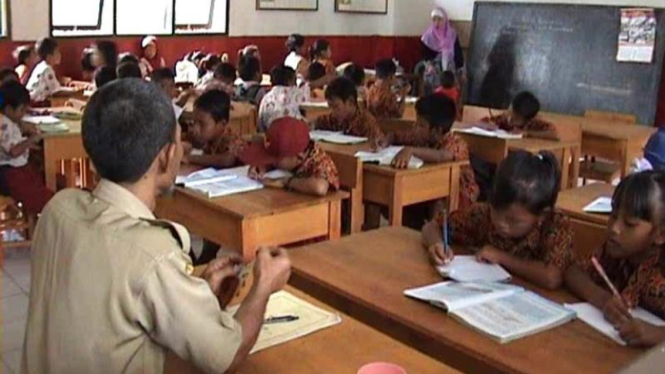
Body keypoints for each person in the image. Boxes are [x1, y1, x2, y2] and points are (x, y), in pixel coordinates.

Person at [21, 78, 292, 373]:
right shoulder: (153, 252)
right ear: (165, 156)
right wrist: (264, 285)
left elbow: (116, 303)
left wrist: (197, 291)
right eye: (178, 140)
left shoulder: (59, 208)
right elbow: (226, 358)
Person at [422, 150, 573, 290]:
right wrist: (436, 244)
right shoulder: (483, 214)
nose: (500, 223)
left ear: (542, 215)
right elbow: (431, 227)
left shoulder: (554, 225)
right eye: (496, 211)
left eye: (513, 221)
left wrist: (501, 258)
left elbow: (552, 277)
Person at [565, 171, 665, 348]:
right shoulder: (615, 251)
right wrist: (603, 299)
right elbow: (573, 272)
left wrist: (658, 334)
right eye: (613, 216)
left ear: (660, 234)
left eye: (630, 224)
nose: (614, 228)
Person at [388, 94, 479, 209]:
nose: (415, 127)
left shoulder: (456, 142)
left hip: (459, 194)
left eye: (420, 125)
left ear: (436, 131)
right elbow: (396, 136)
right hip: (431, 187)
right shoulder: (421, 136)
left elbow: (441, 156)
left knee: (438, 205)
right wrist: (385, 141)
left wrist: (411, 151)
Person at [242, 117, 339, 196]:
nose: (273, 162)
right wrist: (261, 166)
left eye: (276, 160)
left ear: (298, 158)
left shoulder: (319, 160)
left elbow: (320, 188)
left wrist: (285, 182)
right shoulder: (289, 156)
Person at [0, 81, 54, 215]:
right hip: (9, 173)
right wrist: (31, 140)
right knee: (32, 191)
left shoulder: (8, 120)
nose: (24, 113)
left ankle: (49, 205)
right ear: (8, 110)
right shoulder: (4, 125)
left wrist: (21, 125)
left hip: (15, 169)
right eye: (21, 110)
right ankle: (50, 209)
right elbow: (14, 151)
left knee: (35, 180)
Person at [314, 77, 384, 143]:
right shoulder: (332, 120)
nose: (332, 111)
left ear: (350, 102)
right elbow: (314, 124)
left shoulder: (366, 123)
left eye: (336, 106)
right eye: (330, 106)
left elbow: (379, 145)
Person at [188, 89, 245, 168]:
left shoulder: (232, 138)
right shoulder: (209, 138)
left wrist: (190, 158)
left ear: (222, 124)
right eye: (194, 122)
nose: (195, 128)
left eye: (202, 124)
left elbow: (227, 160)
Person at [482, 91, 559, 140]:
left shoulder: (534, 123)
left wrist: (527, 133)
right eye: (511, 111)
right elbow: (483, 122)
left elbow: (554, 134)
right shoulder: (503, 118)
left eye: (517, 118)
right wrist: (490, 126)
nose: (512, 121)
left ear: (527, 119)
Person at [258, 65, 309, 132]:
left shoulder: (266, 98)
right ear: (289, 80)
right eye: (295, 81)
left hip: (273, 138)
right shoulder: (299, 94)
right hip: (297, 137)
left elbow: (260, 124)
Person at [26, 38, 77, 104]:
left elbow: (55, 88)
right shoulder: (47, 69)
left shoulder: (40, 66)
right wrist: (75, 92)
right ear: (49, 56)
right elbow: (56, 92)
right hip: (37, 102)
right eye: (57, 52)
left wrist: (72, 89)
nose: (59, 55)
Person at [421, 8, 464, 73]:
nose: (436, 23)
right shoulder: (428, 37)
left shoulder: (452, 35)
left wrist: (461, 70)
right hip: (434, 69)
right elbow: (425, 56)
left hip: (451, 67)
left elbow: (458, 55)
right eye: (434, 20)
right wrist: (430, 65)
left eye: (439, 19)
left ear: (445, 20)